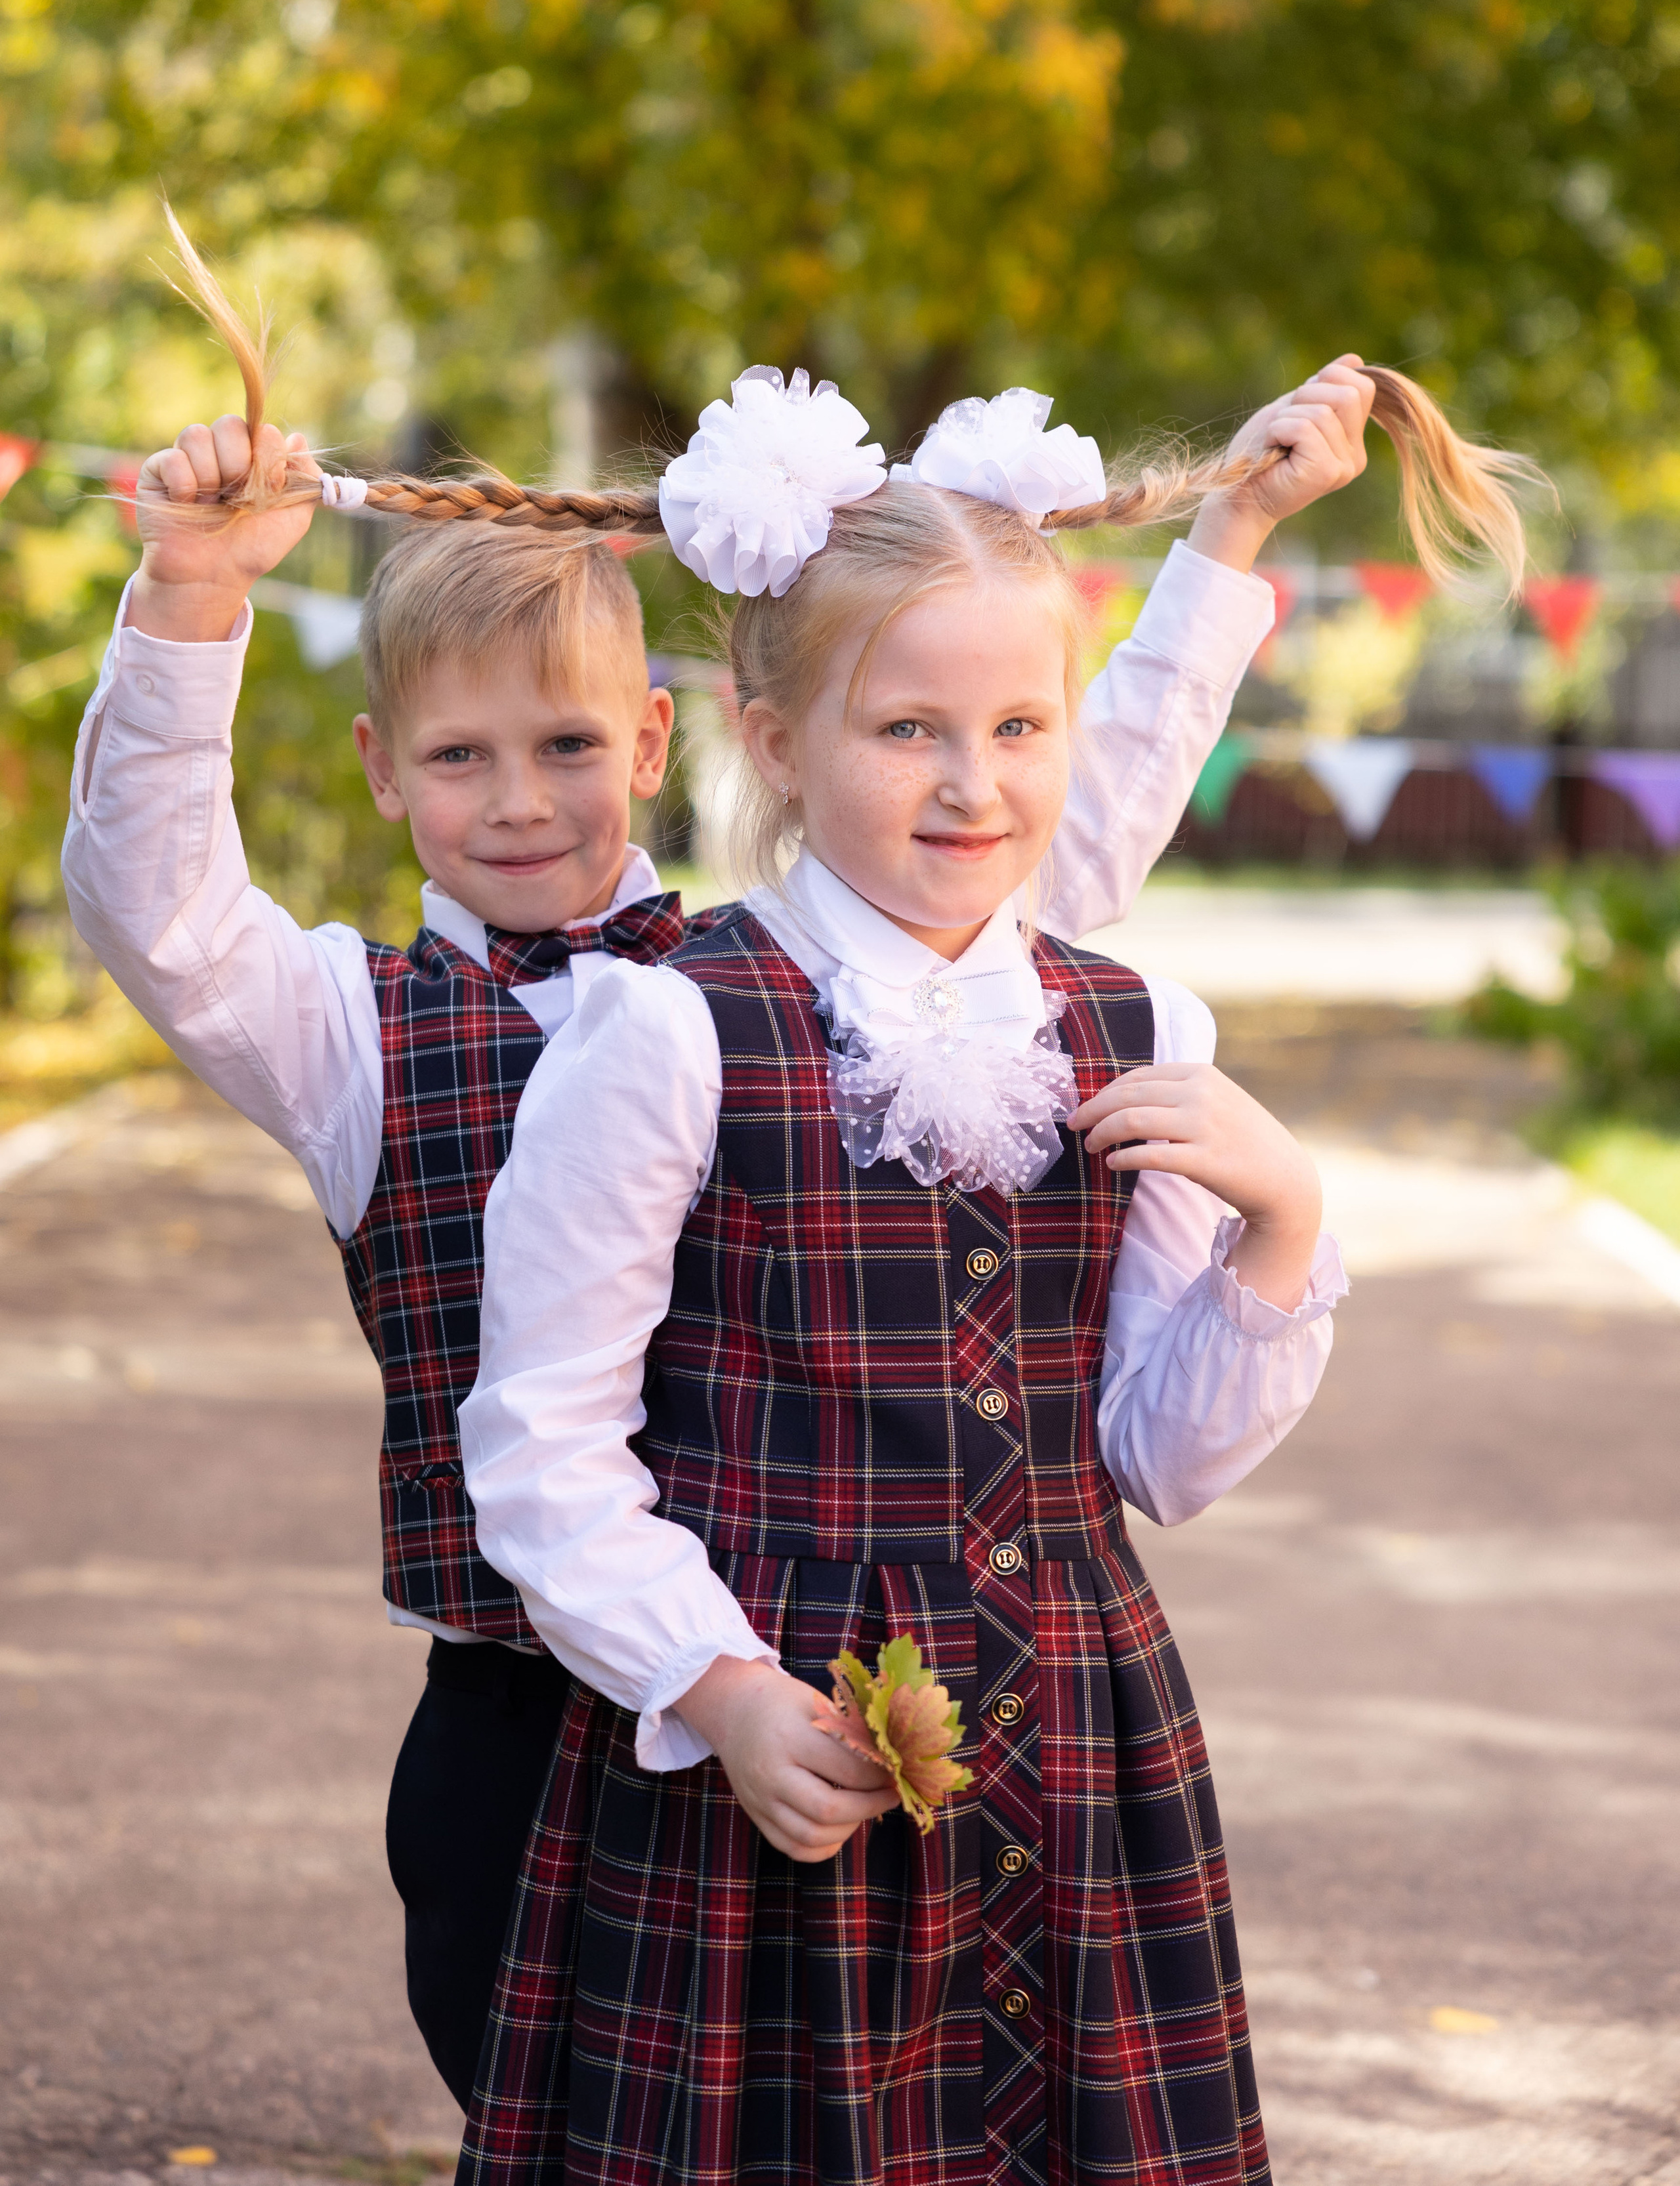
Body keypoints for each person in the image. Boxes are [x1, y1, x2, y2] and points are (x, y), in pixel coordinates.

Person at [58, 222, 1398, 2111]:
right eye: (462, 758)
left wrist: (1225, 559)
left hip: (845, 1679)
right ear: (382, 770)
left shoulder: (763, 980)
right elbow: (160, 910)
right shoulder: (368, 1030)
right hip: (541, 1697)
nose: (521, 799)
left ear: (674, 740)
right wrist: (193, 600)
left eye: (569, 746)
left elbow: (1042, 842)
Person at [454, 375, 1539, 2181]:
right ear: (777, 737)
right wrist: (714, 1691)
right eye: (907, 730)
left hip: (1075, 1738)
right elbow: (542, 1448)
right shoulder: (669, 1028)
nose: (977, 783)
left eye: (1026, 724)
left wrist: (1286, 1221)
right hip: (771, 1751)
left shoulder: (1129, 1024)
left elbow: (1160, 1461)